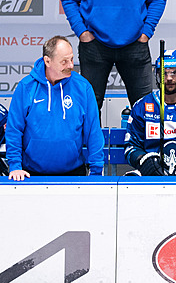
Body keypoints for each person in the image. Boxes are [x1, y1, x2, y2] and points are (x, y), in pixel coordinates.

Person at [4, 36, 104, 181]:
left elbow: (93, 131)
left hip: (74, 174)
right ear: (47, 61)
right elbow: (14, 129)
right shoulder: (26, 87)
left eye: (71, 59)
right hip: (31, 174)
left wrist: (96, 171)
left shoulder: (83, 87)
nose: (70, 65)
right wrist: (15, 166)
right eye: (64, 61)